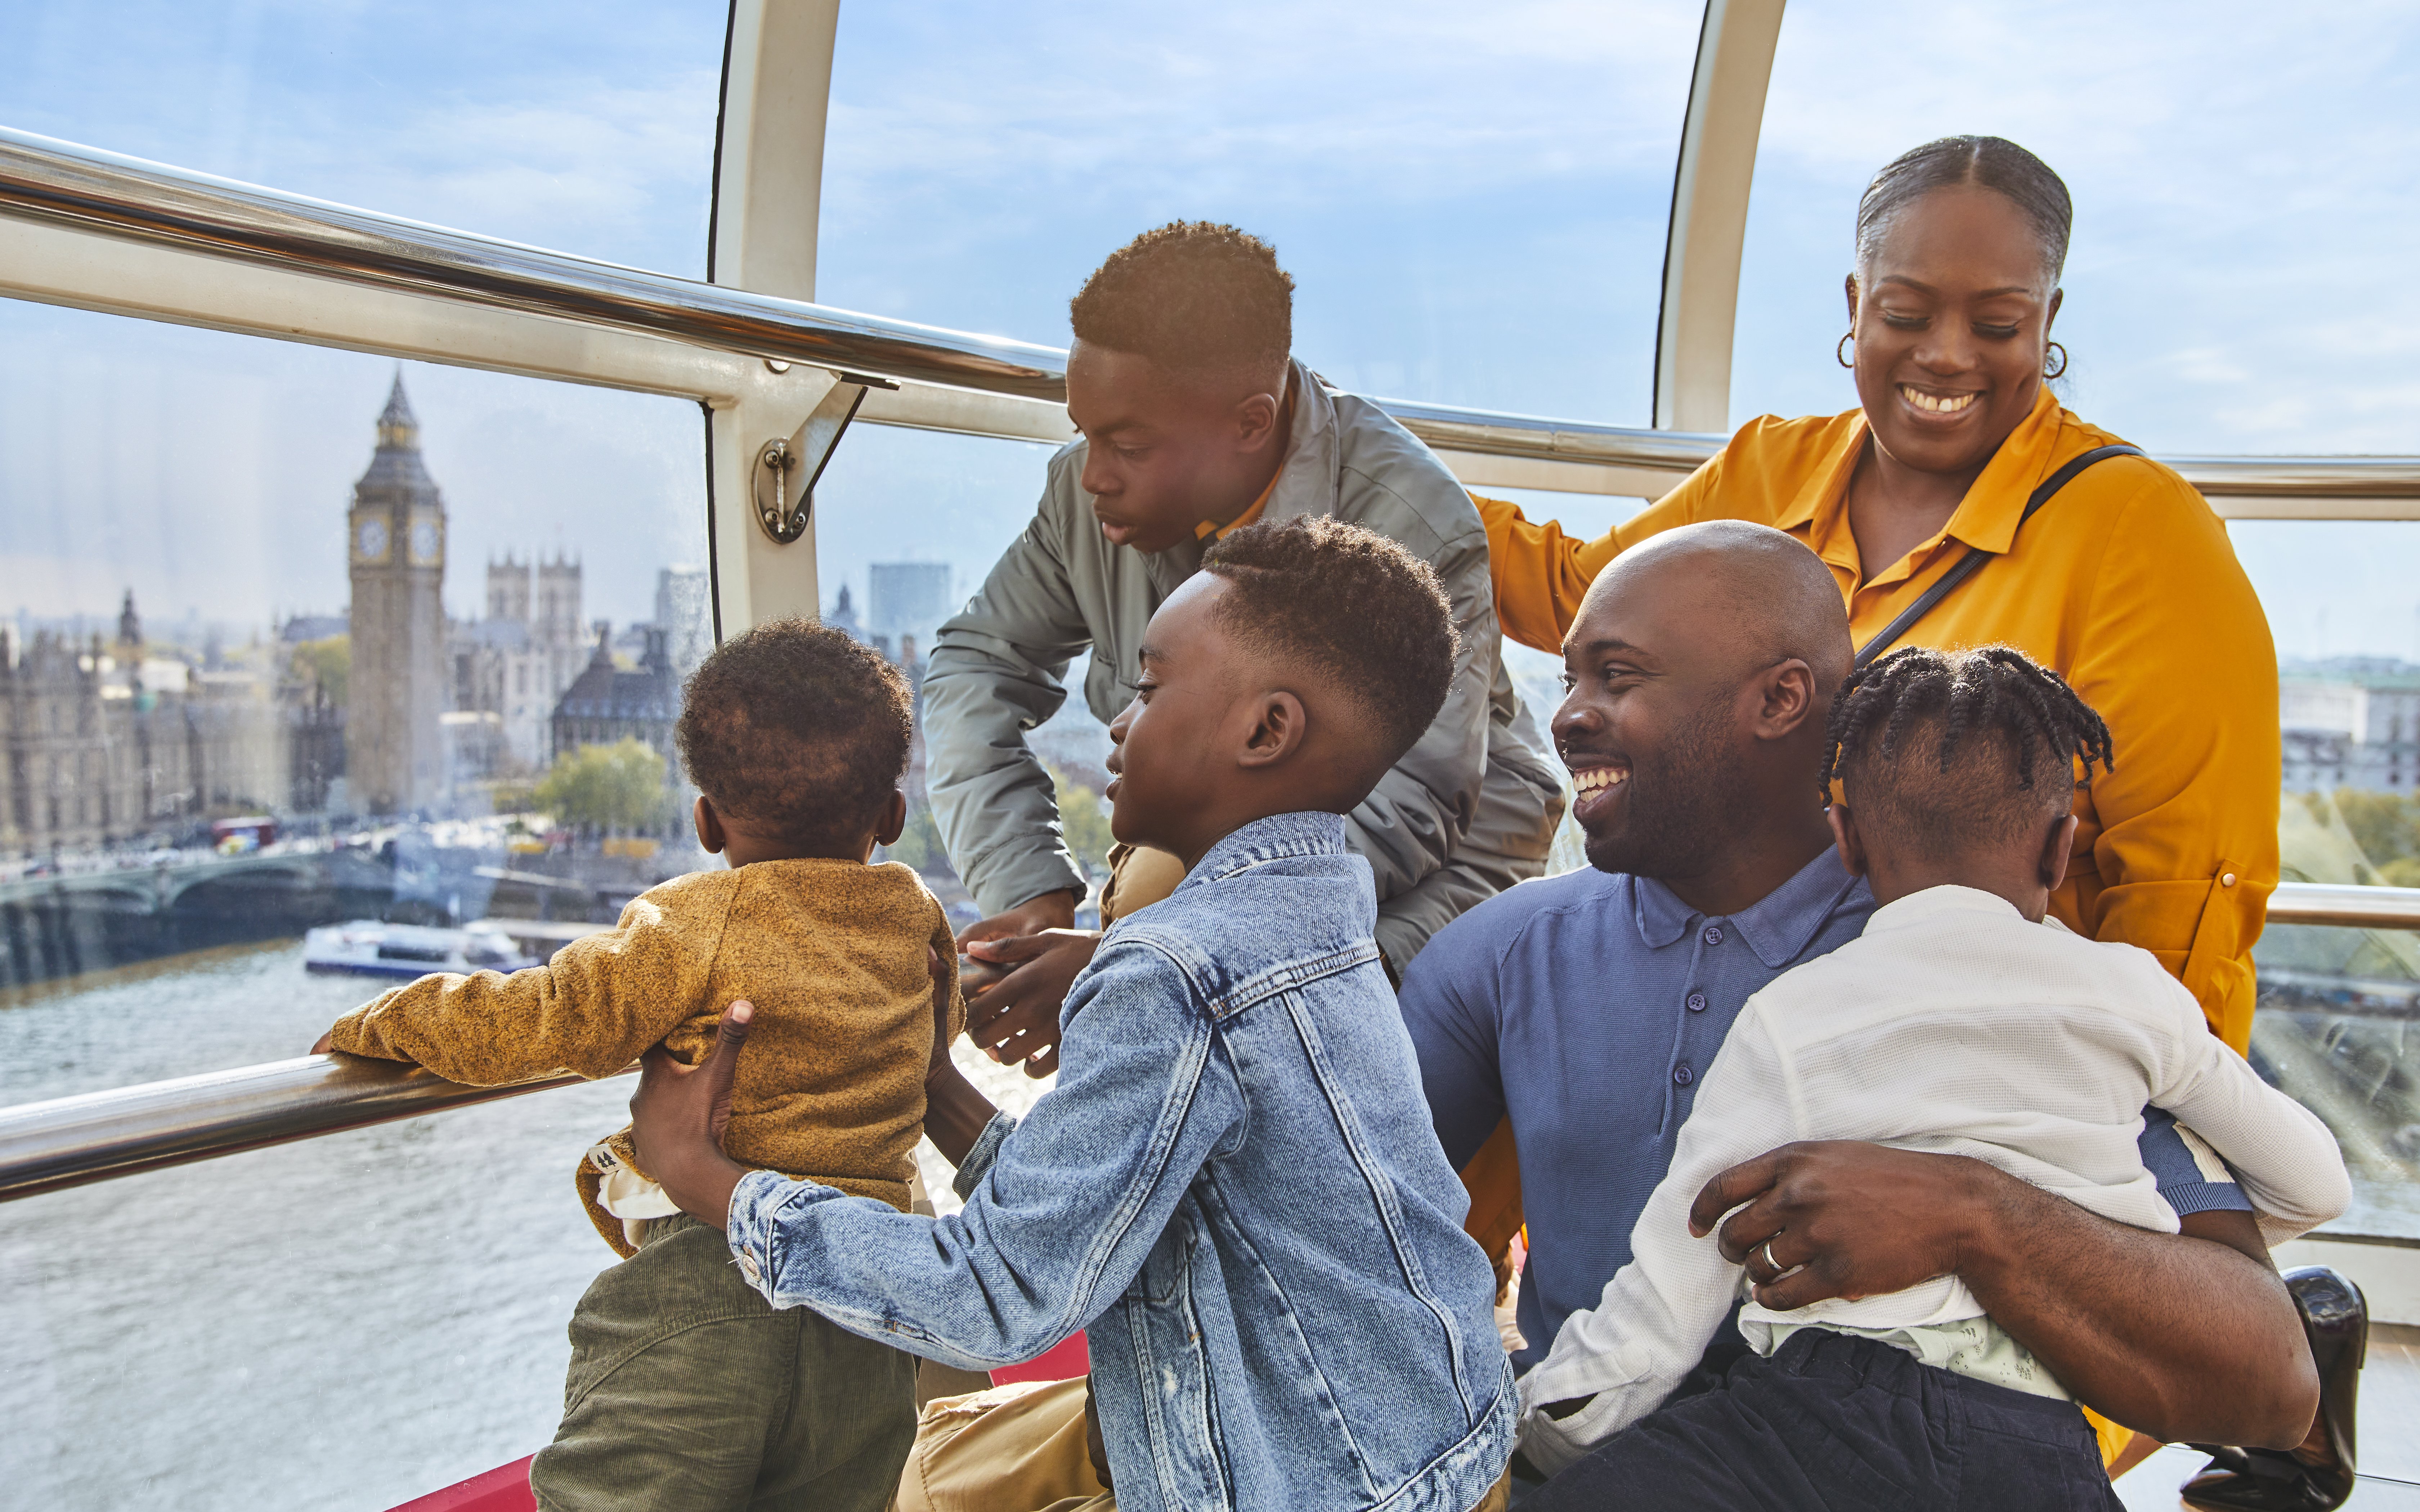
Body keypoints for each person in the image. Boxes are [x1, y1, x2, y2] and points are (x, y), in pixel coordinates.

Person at [1400, 523, 2324, 1500]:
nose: (1570, 717)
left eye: (1617, 677)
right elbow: (1331, 1230)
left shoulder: (2008, 985)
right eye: (1570, 679)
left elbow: (2269, 1384)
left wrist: (1974, 1215)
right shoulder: (1498, 956)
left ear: (1782, 700)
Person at [629, 518, 1517, 1512]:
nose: (1119, 727)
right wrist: (936, 1089)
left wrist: (709, 1179)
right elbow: (1107, 1203)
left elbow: (997, 1296)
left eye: (1147, 688)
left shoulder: (1176, 970)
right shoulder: (1319, 907)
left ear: (1266, 730)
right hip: (1442, 1453)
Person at [1476, 135, 2275, 1055]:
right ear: (1856, 304)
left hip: (1976, 1061)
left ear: (2049, 319)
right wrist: (1340, 451)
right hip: (1724, 1019)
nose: (1945, 356)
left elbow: (2189, 882)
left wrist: (2145, 1118)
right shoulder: (1771, 470)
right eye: (1905, 312)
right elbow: (1577, 594)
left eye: (1998, 325)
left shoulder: (2142, 530)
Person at [312, 620, 958, 1512]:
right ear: (892, 815)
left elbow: (552, 1019)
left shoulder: (695, 922)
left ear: (705, 822)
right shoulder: (912, 911)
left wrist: (392, 1019)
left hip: (711, 1280)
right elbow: (937, 1031)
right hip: (867, 1303)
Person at [925, 220, 1561, 1076]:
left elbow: (1414, 805)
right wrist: (1030, 892)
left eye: (1127, 444)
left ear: (1252, 423)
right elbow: (977, 670)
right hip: (1203, 872)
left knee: (1288, 1055)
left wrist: (1149, 960)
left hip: (1431, 864)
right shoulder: (1088, 497)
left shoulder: (1413, 520)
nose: (1091, 477)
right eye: (1084, 434)